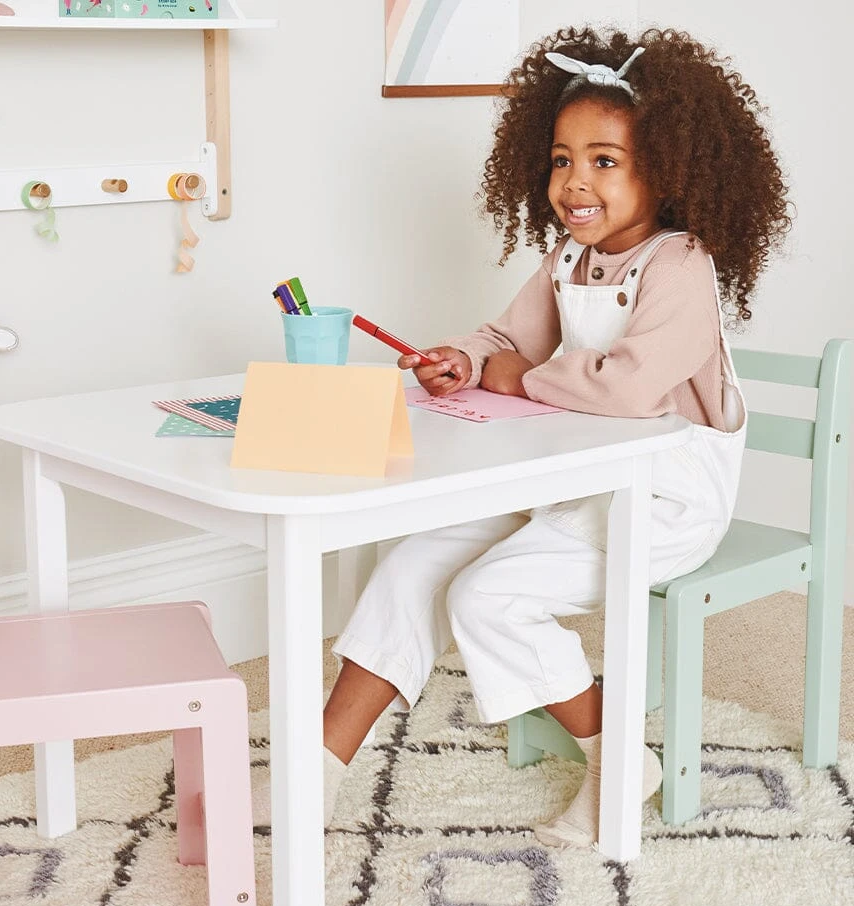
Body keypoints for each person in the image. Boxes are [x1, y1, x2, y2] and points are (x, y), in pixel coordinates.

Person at [252, 25, 791, 847]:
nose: (576, 181)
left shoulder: (681, 265)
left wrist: (518, 379)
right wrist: (465, 360)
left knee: (487, 597)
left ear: (668, 169)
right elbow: (509, 341)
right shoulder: (566, 262)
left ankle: (619, 760)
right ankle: (318, 769)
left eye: (605, 160)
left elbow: (630, 387)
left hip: (664, 499)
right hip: (571, 475)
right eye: (562, 159)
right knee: (414, 562)